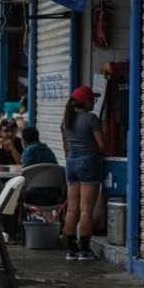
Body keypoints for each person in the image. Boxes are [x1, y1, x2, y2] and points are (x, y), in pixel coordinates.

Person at [61, 85, 107, 261]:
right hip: (88, 162)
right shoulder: (91, 118)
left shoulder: (66, 119)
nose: (94, 103)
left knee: (72, 208)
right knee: (86, 209)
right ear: (86, 102)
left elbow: (66, 147)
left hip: (71, 163)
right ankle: (85, 250)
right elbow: (102, 146)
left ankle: (71, 249)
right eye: (93, 100)